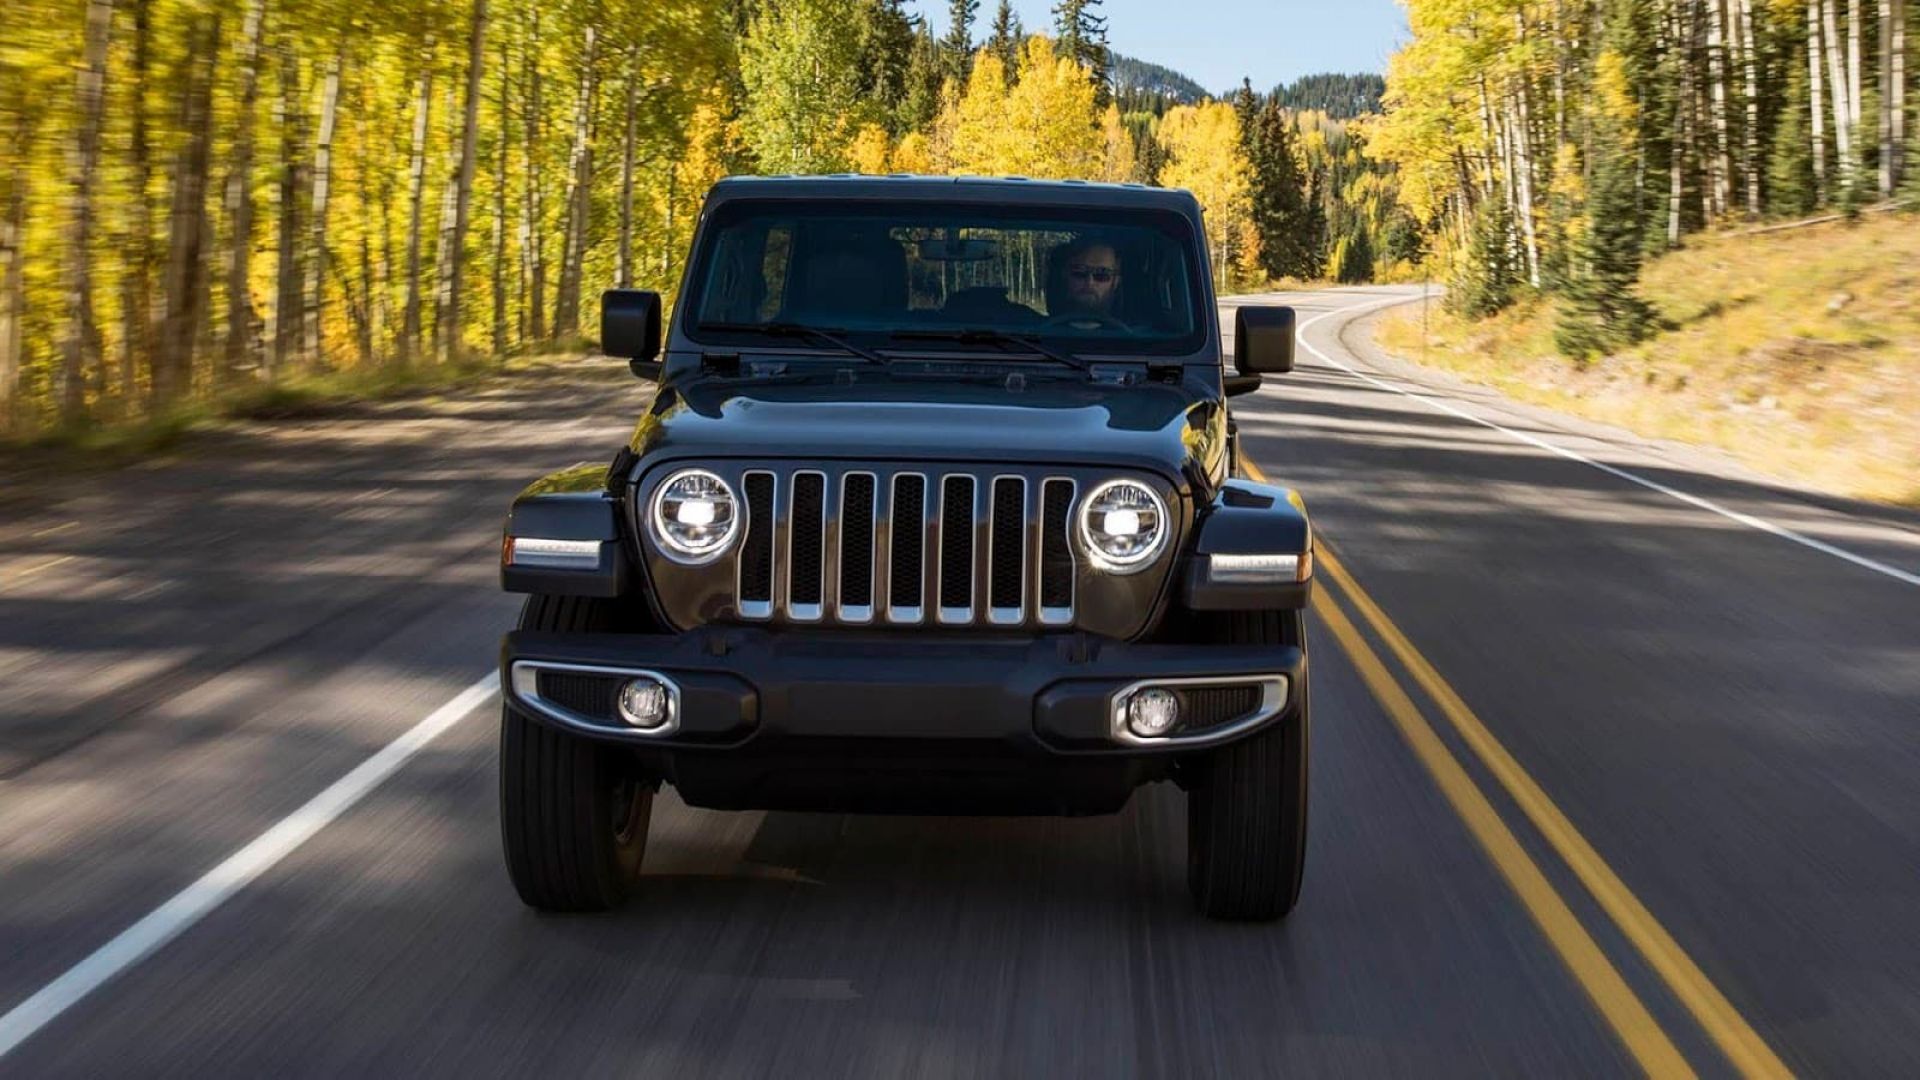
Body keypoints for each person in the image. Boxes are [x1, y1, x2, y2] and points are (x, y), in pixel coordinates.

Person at [1047, 236, 1125, 323]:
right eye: (1079, 272)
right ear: (1064, 276)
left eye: (1101, 275)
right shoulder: (1034, 329)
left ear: (1115, 282)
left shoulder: (1135, 334)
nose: (1090, 282)